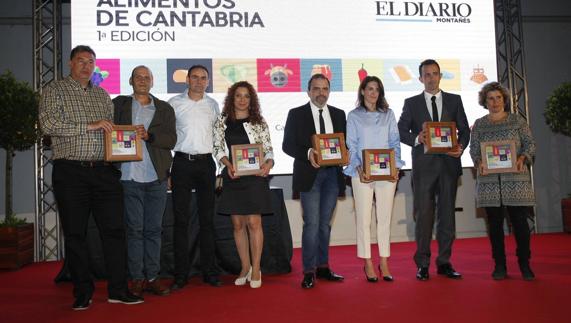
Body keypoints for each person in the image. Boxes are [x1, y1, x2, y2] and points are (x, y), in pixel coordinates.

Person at [39, 45, 143, 310]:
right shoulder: (54, 90)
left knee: (115, 231)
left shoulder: (102, 95)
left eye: (91, 62)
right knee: (76, 234)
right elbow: (48, 125)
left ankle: (118, 290)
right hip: (70, 171)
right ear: (71, 64)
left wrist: (128, 138)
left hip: (104, 172)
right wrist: (89, 125)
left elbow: (109, 133)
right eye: (81, 61)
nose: (87, 66)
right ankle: (82, 291)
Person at [397, 59, 470, 281]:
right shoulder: (411, 103)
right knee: (424, 218)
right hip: (423, 168)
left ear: (440, 76)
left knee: (447, 217)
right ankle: (423, 264)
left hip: (449, 166)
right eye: (426, 75)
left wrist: (461, 146)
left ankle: (445, 262)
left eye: (435, 74)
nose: (431, 78)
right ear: (420, 78)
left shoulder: (454, 100)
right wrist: (416, 138)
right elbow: (401, 130)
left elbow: (465, 129)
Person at [112, 66, 176, 296]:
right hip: (128, 176)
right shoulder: (118, 105)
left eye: (146, 77)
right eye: (138, 77)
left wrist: (150, 136)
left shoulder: (164, 108)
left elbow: (171, 140)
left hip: (156, 177)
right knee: (135, 230)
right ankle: (137, 278)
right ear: (130, 80)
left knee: (153, 230)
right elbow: (109, 133)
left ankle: (152, 277)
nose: (142, 80)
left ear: (152, 81)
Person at [283, 74, 346, 289]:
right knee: (311, 224)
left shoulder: (339, 114)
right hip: (309, 175)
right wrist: (309, 151)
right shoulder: (296, 114)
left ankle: (323, 266)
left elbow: (344, 144)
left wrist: (345, 153)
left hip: (332, 175)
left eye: (325, 88)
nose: (321, 93)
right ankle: (309, 271)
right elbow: (287, 145)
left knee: (324, 225)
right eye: (316, 88)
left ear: (329, 91)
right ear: (308, 91)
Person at [469, 82, 536, 281]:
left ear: (504, 99)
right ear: (485, 101)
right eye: (490, 98)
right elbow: (473, 150)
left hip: (516, 181)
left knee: (521, 226)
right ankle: (500, 265)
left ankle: (524, 264)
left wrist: (523, 157)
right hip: (489, 184)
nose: (495, 102)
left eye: (498, 97)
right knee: (495, 227)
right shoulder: (479, 124)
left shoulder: (517, 121)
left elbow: (530, 144)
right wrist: (479, 161)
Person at [212, 81, 274, 288]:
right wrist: (228, 164)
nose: (242, 99)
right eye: (238, 95)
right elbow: (218, 148)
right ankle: (244, 266)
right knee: (237, 224)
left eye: (246, 96)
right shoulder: (221, 121)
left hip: (255, 178)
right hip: (233, 176)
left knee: (254, 223)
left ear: (251, 99)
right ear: (232, 98)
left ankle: (256, 268)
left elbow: (269, 150)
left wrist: (268, 163)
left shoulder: (258, 121)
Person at [344, 76, 404, 282]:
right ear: (362, 91)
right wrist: (359, 167)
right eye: (369, 88)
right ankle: (368, 262)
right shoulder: (353, 116)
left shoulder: (389, 114)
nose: (373, 93)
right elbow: (351, 145)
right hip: (362, 172)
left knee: (385, 217)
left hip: (387, 173)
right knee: (364, 218)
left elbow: (394, 142)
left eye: (377, 89)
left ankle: (384, 261)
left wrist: (395, 165)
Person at [168, 65, 222, 289]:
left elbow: (219, 138)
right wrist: (167, 170)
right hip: (181, 163)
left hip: (206, 165)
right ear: (187, 80)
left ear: (207, 82)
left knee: (207, 221)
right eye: (195, 78)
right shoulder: (174, 103)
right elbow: (167, 137)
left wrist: (219, 169)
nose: (199, 82)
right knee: (181, 221)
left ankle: (209, 271)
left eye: (203, 78)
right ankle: (181, 274)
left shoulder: (213, 105)